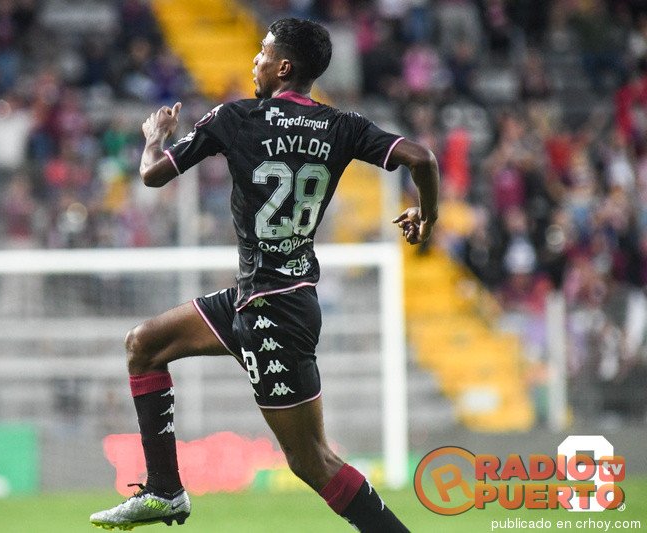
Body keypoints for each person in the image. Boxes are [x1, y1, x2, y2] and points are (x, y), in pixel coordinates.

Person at [90, 18, 439, 532]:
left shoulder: (236, 117)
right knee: (144, 344)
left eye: (262, 52)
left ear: (282, 66)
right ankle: (165, 491)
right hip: (266, 297)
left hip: (272, 310)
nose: (254, 60)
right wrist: (427, 217)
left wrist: (154, 138)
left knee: (312, 461)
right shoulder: (341, 125)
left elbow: (152, 174)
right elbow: (422, 158)